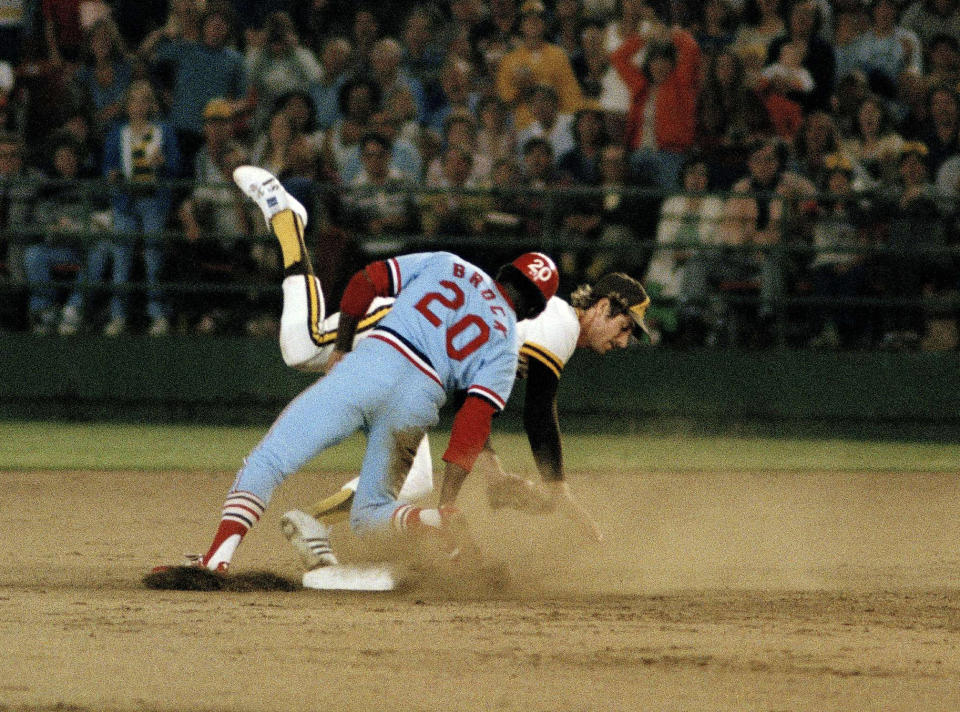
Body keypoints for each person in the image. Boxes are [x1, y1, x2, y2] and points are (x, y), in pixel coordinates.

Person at [224, 168, 650, 571]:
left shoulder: (551, 330)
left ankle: (314, 521)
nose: (623, 340)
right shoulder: (557, 324)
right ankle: (287, 219)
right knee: (303, 344)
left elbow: (475, 402)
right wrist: (560, 493)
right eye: (624, 326)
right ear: (602, 305)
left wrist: (498, 474)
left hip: (421, 372)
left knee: (414, 479)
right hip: (402, 329)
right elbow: (537, 415)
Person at [163, 164, 560, 573]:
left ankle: (219, 557)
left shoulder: (446, 262)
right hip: (418, 402)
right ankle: (431, 520)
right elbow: (471, 426)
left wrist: (342, 349)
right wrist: (448, 501)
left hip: (375, 362)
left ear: (504, 272)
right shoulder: (506, 344)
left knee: (271, 458)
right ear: (532, 309)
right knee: (372, 515)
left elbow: (365, 281)